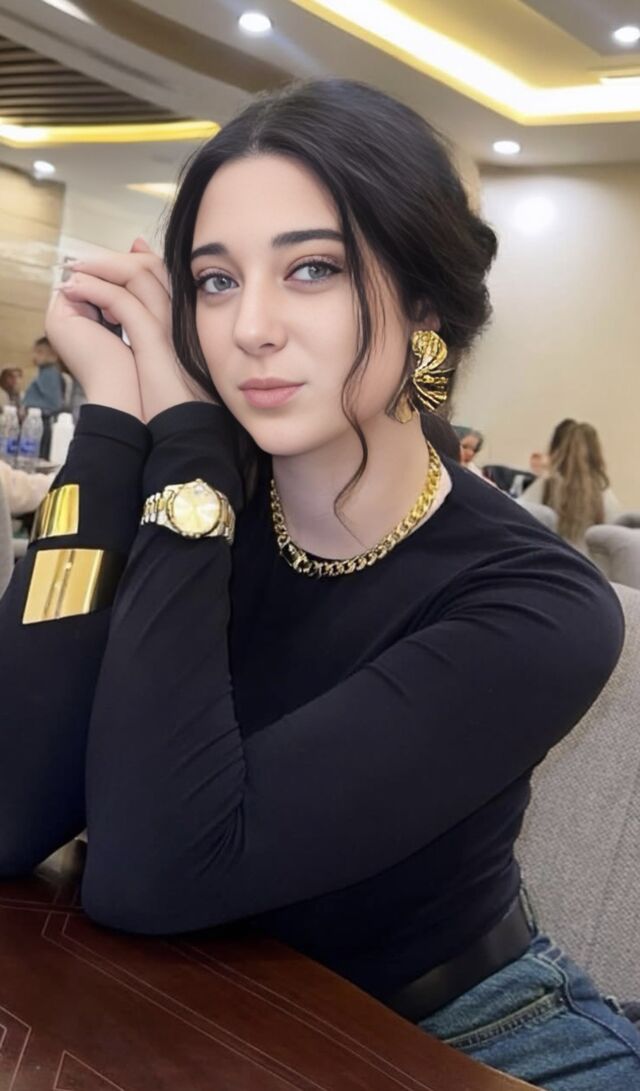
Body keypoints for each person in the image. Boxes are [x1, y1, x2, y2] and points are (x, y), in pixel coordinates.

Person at [0, 80, 635, 1089]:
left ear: (424, 303)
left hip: (462, 1034)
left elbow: (156, 870)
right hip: (164, 1003)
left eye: (313, 268)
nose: (251, 326)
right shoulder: (197, 497)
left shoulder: (540, 603)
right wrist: (118, 419)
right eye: (214, 281)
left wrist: (190, 452)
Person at [521, 421, 621, 551]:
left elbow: (518, 522)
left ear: (555, 451)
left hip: (550, 561)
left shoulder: (543, 489)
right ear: (596, 455)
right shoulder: (605, 496)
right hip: (591, 564)